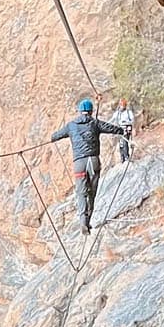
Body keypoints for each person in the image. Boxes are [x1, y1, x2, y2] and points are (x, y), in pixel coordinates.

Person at [51, 98, 126, 235]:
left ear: (80, 111)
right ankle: (88, 219)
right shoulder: (95, 123)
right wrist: (122, 130)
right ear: (91, 111)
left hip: (79, 163)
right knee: (92, 192)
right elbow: (111, 128)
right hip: (93, 161)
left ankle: (83, 221)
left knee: (81, 193)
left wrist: (53, 137)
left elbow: (55, 136)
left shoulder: (71, 125)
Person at [110, 97, 135, 163]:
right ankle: (122, 158)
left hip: (126, 130)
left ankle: (127, 156)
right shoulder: (117, 113)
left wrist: (126, 122)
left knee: (125, 142)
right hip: (119, 130)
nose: (122, 106)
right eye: (121, 105)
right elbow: (112, 120)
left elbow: (132, 120)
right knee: (121, 144)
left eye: (123, 105)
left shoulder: (129, 112)